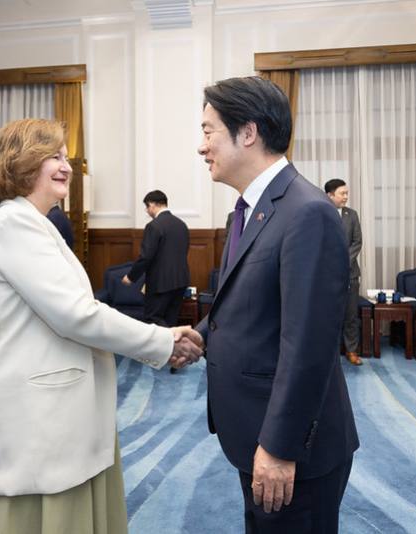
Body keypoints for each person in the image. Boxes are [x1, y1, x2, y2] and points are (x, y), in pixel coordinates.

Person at [0, 118, 203, 534]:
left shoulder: (36, 223)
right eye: (53, 157)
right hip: (35, 420)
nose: (67, 167)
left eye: (65, 157)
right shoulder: (14, 224)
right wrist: (162, 340)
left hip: (59, 411)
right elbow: (77, 314)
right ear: (21, 164)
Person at [195, 76, 359, 533]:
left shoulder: (307, 211)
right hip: (254, 430)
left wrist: (280, 447)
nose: (201, 146)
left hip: (292, 450)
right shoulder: (251, 209)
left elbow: (309, 344)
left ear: (247, 133)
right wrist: (199, 336)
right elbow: (249, 302)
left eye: (209, 131)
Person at [121, 190, 191, 328]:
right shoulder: (182, 225)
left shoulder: (154, 226)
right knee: (171, 320)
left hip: (160, 283)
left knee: (153, 319)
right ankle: (172, 348)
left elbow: (146, 256)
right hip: (181, 281)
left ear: (152, 204)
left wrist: (131, 277)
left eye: (147, 207)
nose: (147, 211)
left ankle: (166, 347)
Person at [325, 179, 363, 366]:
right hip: (326, 274)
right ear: (330, 195)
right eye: (342, 193)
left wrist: (342, 261)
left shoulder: (352, 215)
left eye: (347, 193)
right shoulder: (321, 214)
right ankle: (328, 352)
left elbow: (357, 242)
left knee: (350, 314)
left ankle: (352, 350)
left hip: (350, 273)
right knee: (328, 314)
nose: (346, 197)